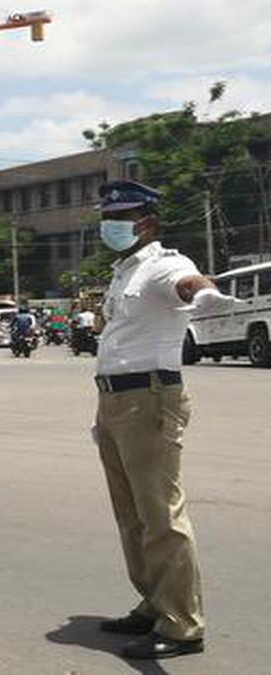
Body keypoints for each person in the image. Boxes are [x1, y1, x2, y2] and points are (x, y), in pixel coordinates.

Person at [90, 181, 241, 660]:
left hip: (150, 399)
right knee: (131, 516)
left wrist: (204, 296)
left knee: (160, 515)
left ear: (147, 223)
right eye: (107, 216)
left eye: (122, 216)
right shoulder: (123, 272)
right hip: (114, 401)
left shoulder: (163, 265)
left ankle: (181, 626)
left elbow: (189, 283)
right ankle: (153, 603)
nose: (111, 224)